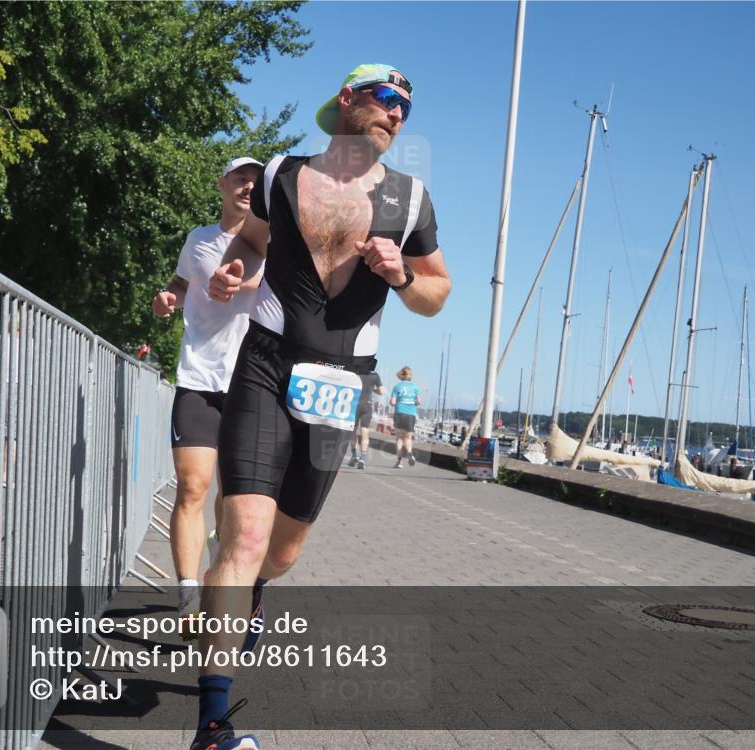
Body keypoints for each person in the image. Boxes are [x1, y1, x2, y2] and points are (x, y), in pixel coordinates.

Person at [196, 63, 450, 750]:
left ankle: (252, 589)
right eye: (387, 98)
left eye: (406, 107)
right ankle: (213, 727)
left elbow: (438, 292)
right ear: (348, 99)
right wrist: (235, 269)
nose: (397, 114)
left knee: (281, 553)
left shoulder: (410, 199)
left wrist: (402, 275)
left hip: (341, 385)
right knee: (244, 537)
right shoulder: (282, 173)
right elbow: (251, 242)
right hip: (265, 364)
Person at [151, 157, 265, 617]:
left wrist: (240, 282)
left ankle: (221, 567)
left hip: (251, 383)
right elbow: (180, 283)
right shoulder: (198, 239)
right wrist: (168, 299)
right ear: (222, 185)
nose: (248, 187)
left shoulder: (273, 244)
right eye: (240, 179)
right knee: (191, 487)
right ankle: (187, 597)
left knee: (231, 499)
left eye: (256, 182)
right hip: (198, 376)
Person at [347, 370, 383, 469]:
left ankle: (354, 455)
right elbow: (381, 392)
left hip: (355, 405)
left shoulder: (357, 373)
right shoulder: (375, 375)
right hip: (367, 405)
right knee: (365, 431)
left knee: (353, 431)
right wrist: (373, 390)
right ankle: (362, 458)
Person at [389, 366, 421, 468]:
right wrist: (412, 402)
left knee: (399, 438)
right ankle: (410, 453)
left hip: (399, 413)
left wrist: (398, 403)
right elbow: (418, 401)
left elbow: (392, 402)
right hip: (411, 414)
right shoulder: (415, 388)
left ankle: (399, 462)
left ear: (401, 375)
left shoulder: (397, 386)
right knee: (408, 437)